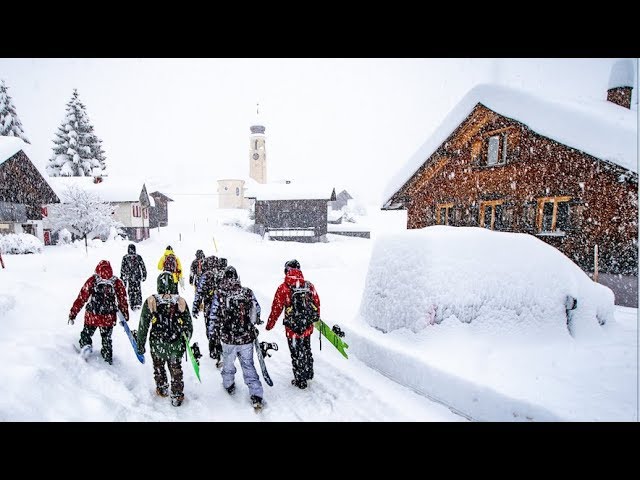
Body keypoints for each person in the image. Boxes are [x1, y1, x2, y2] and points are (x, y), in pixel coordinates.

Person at [136, 272, 193, 407]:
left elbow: (143, 325)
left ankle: (162, 388)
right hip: (175, 343)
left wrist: (140, 345)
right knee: (176, 369)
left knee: (159, 367)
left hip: (157, 343)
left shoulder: (151, 300)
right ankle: (177, 394)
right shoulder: (180, 301)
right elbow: (188, 325)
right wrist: (186, 341)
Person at [210, 266, 264, 408]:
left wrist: (213, 336)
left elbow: (213, 316)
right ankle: (256, 393)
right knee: (248, 365)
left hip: (228, 338)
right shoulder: (247, 292)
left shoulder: (220, 294)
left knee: (228, 364)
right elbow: (257, 310)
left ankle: (228, 385)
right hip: (246, 338)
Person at [266, 259, 320, 389]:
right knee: (306, 349)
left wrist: (270, 325)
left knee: (296, 353)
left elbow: (276, 309)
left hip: (292, 328)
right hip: (307, 326)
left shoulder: (283, 288)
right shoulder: (308, 285)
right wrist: (314, 318)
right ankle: (308, 373)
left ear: (286, 271)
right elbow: (317, 303)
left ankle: (300, 380)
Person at [68, 260, 130, 365]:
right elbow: (122, 300)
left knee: (86, 334)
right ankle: (107, 356)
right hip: (108, 317)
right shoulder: (116, 282)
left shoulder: (93, 280)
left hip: (92, 315)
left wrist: (73, 314)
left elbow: (82, 298)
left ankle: (86, 346)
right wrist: (125, 315)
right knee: (107, 338)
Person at [192, 256, 225, 366]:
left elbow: (199, 293)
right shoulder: (222, 274)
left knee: (210, 326)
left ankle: (213, 349)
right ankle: (220, 347)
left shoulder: (205, 276)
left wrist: (195, 307)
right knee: (221, 326)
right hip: (222, 307)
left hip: (209, 306)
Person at [120, 243, 147, 310]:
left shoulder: (125, 258)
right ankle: (138, 302)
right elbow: (143, 267)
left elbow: (122, 269)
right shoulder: (138, 257)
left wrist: (123, 279)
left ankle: (132, 303)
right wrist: (144, 275)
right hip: (137, 276)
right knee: (138, 289)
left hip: (129, 277)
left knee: (130, 290)